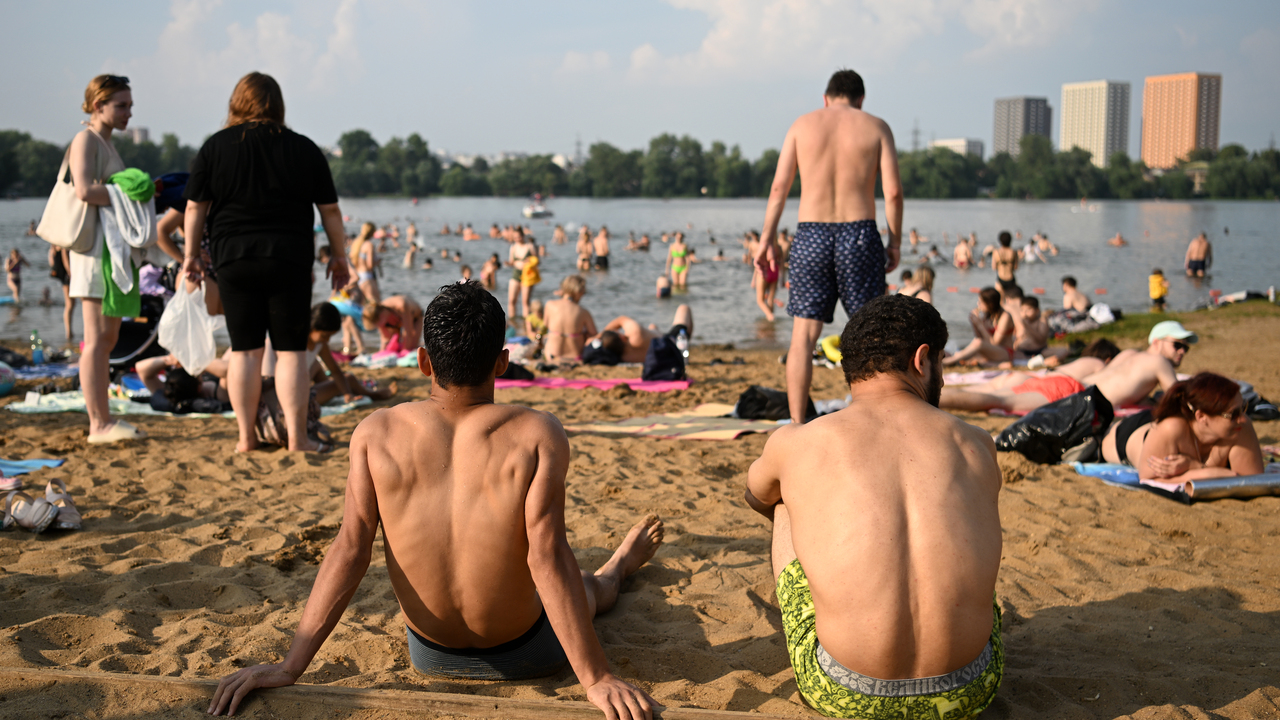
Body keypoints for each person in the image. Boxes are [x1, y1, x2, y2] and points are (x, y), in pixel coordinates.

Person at [207, 282, 662, 720]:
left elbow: (350, 549)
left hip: (430, 655)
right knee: (585, 586)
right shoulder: (538, 433)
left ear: (423, 361)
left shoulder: (374, 433)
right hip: (528, 652)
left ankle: (616, 567)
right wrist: (596, 677)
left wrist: (291, 666)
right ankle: (617, 568)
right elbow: (547, 557)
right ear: (502, 363)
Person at [744, 294, 1003, 719]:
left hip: (847, 690)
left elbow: (755, 496)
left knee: (785, 500)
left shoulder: (799, 442)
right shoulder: (977, 442)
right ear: (923, 360)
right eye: (942, 362)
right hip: (969, 689)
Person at [182, 72, 350, 453]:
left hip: (233, 257)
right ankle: (298, 439)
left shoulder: (215, 147)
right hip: (288, 257)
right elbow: (331, 211)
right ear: (278, 106)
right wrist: (340, 257)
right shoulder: (304, 148)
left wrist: (191, 255)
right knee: (290, 351)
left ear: (236, 102)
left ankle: (245, 439)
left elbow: (194, 207)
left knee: (245, 350)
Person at [753, 69, 903, 424]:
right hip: (859, 234)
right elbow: (893, 192)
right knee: (869, 332)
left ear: (825, 97)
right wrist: (894, 240)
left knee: (803, 336)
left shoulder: (801, 125)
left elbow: (779, 189)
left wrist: (767, 240)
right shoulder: (876, 126)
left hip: (811, 234)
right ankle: (870, 418)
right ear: (861, 99)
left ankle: (796, 425)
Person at [65, 74, 147, 443]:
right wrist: (127, 194)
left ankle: (104, 418)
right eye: (121, 105)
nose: (129, 112)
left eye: (129, 105)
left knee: (107, 337)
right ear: (98, 105)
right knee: (96, 338)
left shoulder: (106, 143)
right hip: (94, 253)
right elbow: (83, 189)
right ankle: (98, 423)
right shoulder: (86, 139)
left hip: (110, 254)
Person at [1101, 372, 1264, 482]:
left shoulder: (1239, 426)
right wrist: (1212, 473)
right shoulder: (1170, 428)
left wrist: (1194, 468)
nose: (1242, 418)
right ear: (1202, 416)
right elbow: (1149, 479)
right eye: (1233, 414)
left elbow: (1252, 480)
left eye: (1243, 408)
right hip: (1127, 434)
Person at [264, 302, 395, 407]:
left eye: (330, 337)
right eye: (324, 335)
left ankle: (337, 393)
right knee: (349, 379)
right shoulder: (295, 342)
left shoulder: (320, 344)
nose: (326, 340)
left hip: (297, 386)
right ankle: (374, 395)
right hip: (287, 398)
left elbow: (335, 371)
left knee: (317, 365)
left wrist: (347, 394)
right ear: (312, 327)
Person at [939, 339, 1121, 414]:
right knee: (995, 399)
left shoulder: (1084, 362)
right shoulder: (1100, 366)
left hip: (1033, 377)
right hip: (1055, 386)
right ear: (1108, 358)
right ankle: (933, 400)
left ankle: (928, 395)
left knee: (972, 391)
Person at [1079, 321, 1195, 408]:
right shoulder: (1159, 361)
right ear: (1156, 342)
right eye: (1177, 345)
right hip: (1084, 405)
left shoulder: (1130, 354)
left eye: (1185, 347)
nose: (1182, 351)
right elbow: (1181, 402)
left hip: (1075, 388)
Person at [593, 305, 694, 364]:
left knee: (652, 327)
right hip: (670, 341)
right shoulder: (635, 334)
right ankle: (686, 345)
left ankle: (655, 330)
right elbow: (621, 319)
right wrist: (597, 336)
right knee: (684, 308)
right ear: (621, 337)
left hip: (661, 350)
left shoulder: (623, 357)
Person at [943, 288, 1014, 366]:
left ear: (990, 304)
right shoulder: (988, 316)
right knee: (972, 348)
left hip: (1005, 352)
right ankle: (955, 360)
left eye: (981, 302)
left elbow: (994, 343)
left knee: (977, 343)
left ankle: (949, 361)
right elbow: (980, 338)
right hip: (990, 352)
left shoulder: (1005, 316)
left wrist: (980, 324)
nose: (978, 304)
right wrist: (974, 324)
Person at [542, 275, 597, 363]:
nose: (583, 294)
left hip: (552, 355)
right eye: (583, 292)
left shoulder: (550, 305)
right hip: (576, 358)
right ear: (578, 291)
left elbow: (545, 326)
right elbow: (594, 335)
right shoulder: (583, 312)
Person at [348, 222, 381, 305]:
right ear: (373, 232)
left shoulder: (356, 243)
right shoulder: (369, 244)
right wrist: (378, 261)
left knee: (362, 305)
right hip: (367, 277)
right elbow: (370, 265)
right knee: (375, 304)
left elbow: (351, 259)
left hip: (358, 276)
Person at [506, 227, 535, 320]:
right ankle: (512, 322)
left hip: (527, 274)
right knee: (511, 301)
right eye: (515, 237)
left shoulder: (530, 246)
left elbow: (537, 260)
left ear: (523, 236)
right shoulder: (513, 247)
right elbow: (511, 261)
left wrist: (529, 261)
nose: (517, 239)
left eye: (519, 237)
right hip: (516, 273)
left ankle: (526, 324)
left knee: (525, 302)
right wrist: (508, 263)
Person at [47, 246, 75, 340]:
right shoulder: (62, 245)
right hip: (67, 275)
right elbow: (65, 258)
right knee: (70, 304)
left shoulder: (53, 246)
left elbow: (51, 261)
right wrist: (70, 273)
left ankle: (69, 331)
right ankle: (69, 332)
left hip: (63, 275)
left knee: (70, 303)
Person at [984, 231, 1018, 296]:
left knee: (1000, 302)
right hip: (1011, 278)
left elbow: (994, 267)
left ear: (1000, 241)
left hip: (1000, 278)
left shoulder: (996, 252)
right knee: (1010, 301)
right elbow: (1016, 267)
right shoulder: (1014, 252)